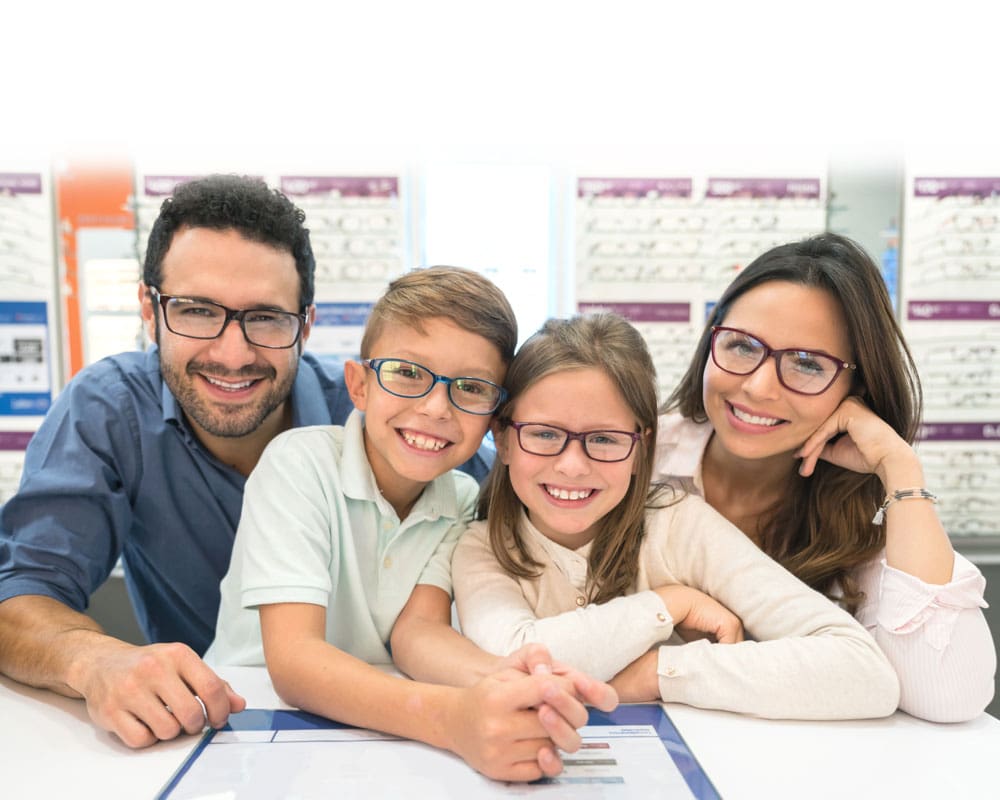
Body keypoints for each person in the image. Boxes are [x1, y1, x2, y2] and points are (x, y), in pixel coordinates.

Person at [0, 175, 493, 749]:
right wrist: (94, 660)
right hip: (198, 736)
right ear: (148, 309)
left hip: (385, 736)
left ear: (304, 326)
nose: (232, 355)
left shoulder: (387, 419)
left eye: (266, 318)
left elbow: (509, 504)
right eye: (195, 310)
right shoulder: (109, 412)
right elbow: (19, 591)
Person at [204, 266, 617, 782]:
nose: (435, 408)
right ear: (359, 385)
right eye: (407, 373)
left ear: (493, 418)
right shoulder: (298, 464)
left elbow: (417, 633)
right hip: (253, 727)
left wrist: (514, 679)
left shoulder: (463, 498)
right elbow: (294, 662)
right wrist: (451, 720)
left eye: (470, 388)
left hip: (379, 733)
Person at [453, 312, 901, 720]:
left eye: (605, 439)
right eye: (545, 434)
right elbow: (515, 660)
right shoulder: (480, 545)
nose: (572, 465)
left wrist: (659, 672)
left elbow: (865, 673)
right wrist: (666, 604)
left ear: (642, 447)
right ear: (503, 439)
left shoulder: (678, 523)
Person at [655, 232, 995, 723]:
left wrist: (900, 469)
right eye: (741, 346)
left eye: (808, 364)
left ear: (857, 387)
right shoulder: (631, 458)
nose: (757, 386)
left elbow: (948, 696)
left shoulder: (867, 504)